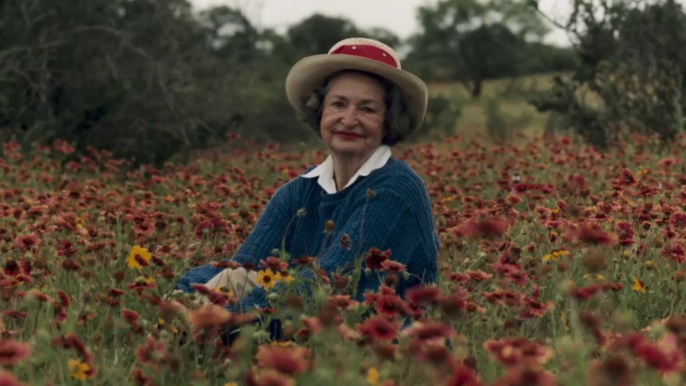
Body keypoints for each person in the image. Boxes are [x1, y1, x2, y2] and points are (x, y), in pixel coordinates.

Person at [171, 38, 440, 327]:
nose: (349, 120)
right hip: (301, 325)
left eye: (368, 109)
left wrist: (227, 318)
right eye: (338, 104)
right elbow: (244, 264)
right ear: (320, 112)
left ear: (389, 121)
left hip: (381, 343)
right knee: (232, 279)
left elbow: (330, 284)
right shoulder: (300, 190)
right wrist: (182, 293)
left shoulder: (395, 187)